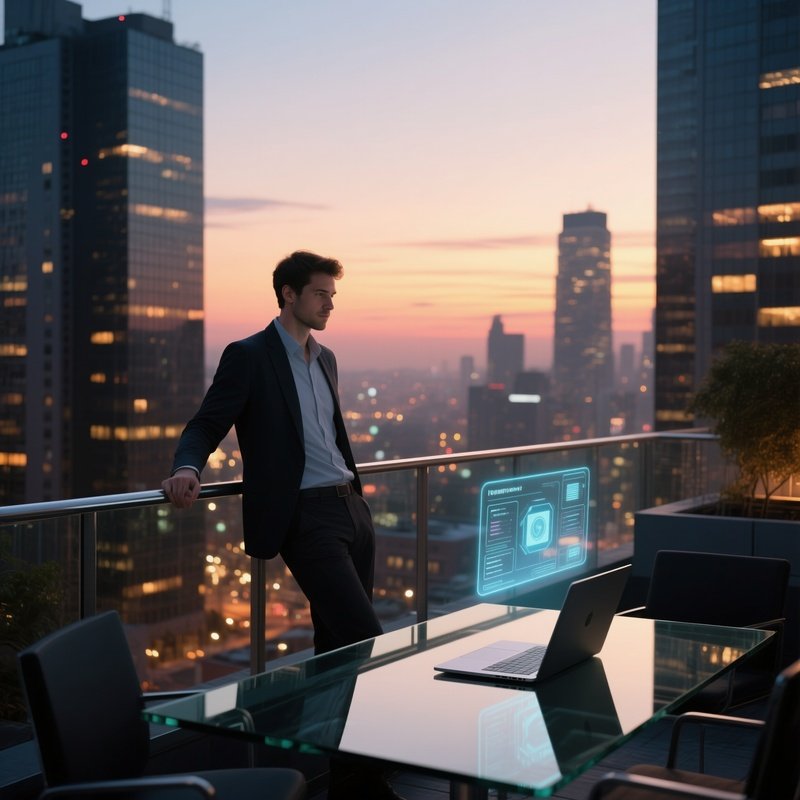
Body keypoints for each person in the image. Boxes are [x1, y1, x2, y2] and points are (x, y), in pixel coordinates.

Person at [163, 251, 404, 798]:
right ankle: (368, 779)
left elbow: (330, 437)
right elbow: (206, 422)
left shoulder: (327, 359)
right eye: (321, 294)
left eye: (333, 296)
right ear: (289, 294)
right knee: (367, 644)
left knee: (335, 650)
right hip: (307, 518)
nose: (330, 304)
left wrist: (358, 499)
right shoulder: (248, 356)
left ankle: (347, 783)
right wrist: (186, 467)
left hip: (351, 511)